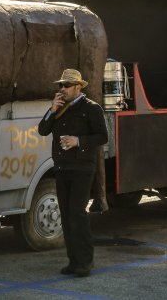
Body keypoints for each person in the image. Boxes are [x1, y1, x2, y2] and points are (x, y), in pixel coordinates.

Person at [38, 69, 108, 278]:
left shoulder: (91, 108)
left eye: (67, 86)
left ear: (78, 87)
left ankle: (85, 261)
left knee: (77, 214)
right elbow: (42, 130)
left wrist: (78, 141)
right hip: (62, 168)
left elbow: (102, 136)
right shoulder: (59, 108)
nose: (62, 89)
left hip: (82, 168)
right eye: (60, 85)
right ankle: (73, 261)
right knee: (66, 216)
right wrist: (52, 109)